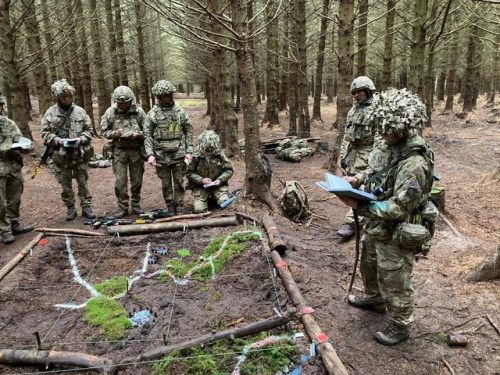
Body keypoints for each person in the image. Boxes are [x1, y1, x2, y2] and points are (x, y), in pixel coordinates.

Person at [340, 88, 435, 345]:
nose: (381, 135)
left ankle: (400, 324)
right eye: (379, 129)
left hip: (398, 228)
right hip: (377, 222)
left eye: (387, 130)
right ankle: (374, 299)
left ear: (403, 128)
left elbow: (398, 208)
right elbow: (374, 169)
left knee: (394, 277)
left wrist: (359, 208)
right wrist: (357, 179)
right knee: (369, 264)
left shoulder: (414, 164)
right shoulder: (385, 142)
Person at [41, 79, 95, 221]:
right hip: (61, 156)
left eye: (69, 96)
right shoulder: (50, 113)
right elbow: (45, 133)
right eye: (63, 97)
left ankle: (86, 206)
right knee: (65, 185)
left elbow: (89, 130)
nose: (67, 99)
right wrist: (57, 141)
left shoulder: (80, 112)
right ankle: (70, 208)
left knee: (83, 182)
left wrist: (81, 139)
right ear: (58, 97)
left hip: (79, 154)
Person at [337, 76, 379, 239]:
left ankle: (351, 223)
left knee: (364, 188)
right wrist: (343, 155)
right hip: (352, 153)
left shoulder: (376, 109)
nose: (355, 95)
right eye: (353, 92)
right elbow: (347, 135)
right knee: (352, 187)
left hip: (367, 153)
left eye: (358, 92)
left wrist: (375, 158)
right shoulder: (353, 110)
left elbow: (380, 137)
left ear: (368, 91)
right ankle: (359, 216)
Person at [144, 80, 193, 214]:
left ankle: (180, 205)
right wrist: (150, 154)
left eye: (168, 95)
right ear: (158, 97)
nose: (166, 98)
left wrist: (189, 151)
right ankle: (170, 206)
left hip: (179, 153)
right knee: (166, 184)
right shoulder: (152, 114)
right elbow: (147, 134)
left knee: (179, 181)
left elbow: (188, 130)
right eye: (163, 95)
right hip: (161, 155)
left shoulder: (180, 111)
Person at [101, 86, 147, 218]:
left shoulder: (139, 112)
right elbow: (103, 131)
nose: (123, 105)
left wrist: (138, 134)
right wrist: (114, 134)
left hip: (136, 151)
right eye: (120, 103)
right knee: (120, 181)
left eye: (126, 102)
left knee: (137, 180)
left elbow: (149, 130)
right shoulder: (110, 112)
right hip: (119, 151)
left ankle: (136, 205)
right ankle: (123, 207)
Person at [0, 95, 34, 244]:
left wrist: (22, 146)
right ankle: (5, 230)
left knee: (15, 199)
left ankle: (14, 223)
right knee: (0, 203)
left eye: (1, 106)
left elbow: (19, 138)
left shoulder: (8, 123)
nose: (0, 109)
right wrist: (6, 149)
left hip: (13, 168)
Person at [186, 131, 233, 213]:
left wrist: (220, 180)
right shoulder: (196, 156)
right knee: (199, 209)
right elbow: (189, 173)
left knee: (225, 203)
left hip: (217, 185)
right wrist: (202, 180)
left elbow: (229, 170)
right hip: (201, 187)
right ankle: (207, 200)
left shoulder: (220, 155)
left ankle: (215, 198)